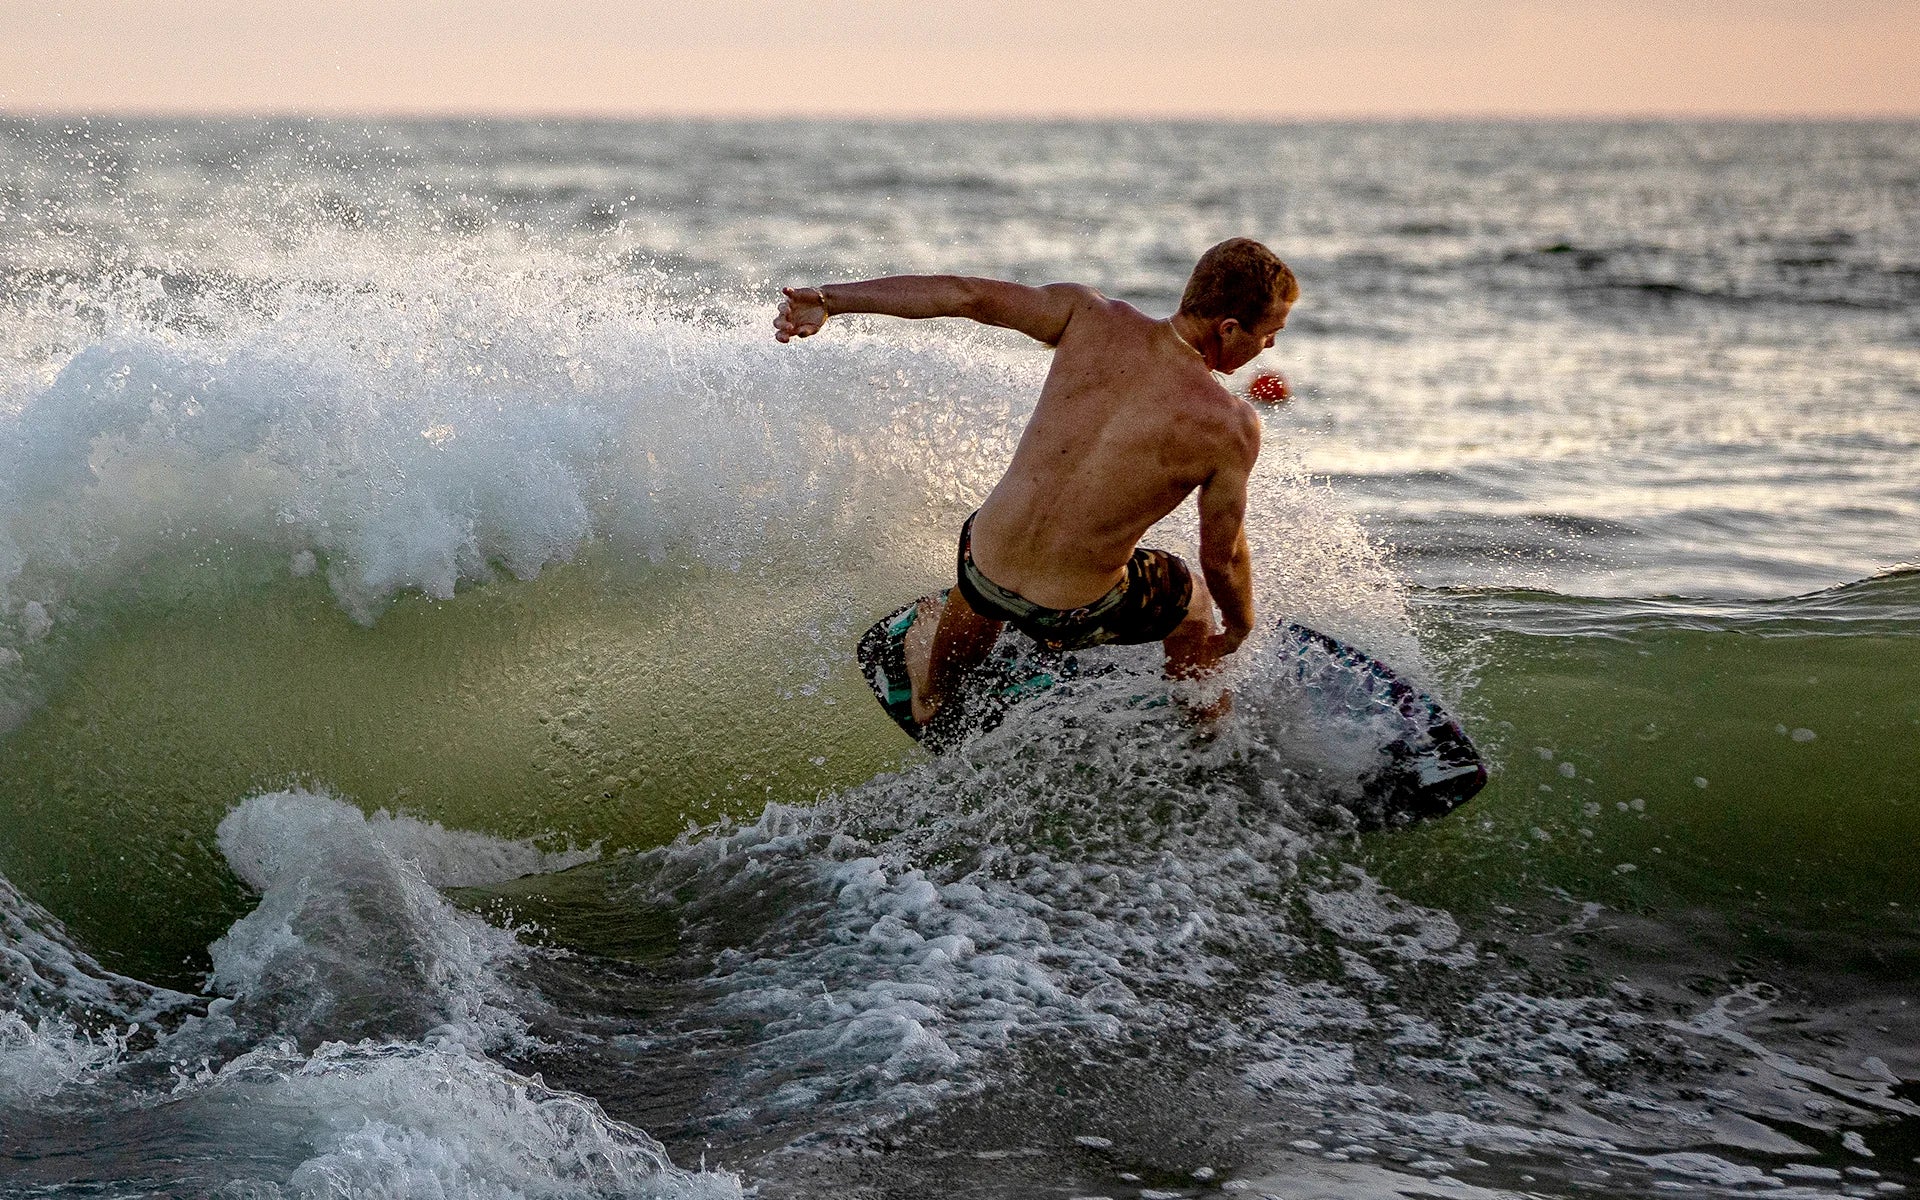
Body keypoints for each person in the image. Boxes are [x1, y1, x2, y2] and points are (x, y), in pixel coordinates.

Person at [775, 237, 1298, 728]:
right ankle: (1202, 731)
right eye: (1269, 331)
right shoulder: (1231, 425)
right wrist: (1241, 626)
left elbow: (966, 295)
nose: (1270, 344)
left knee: (992, 551)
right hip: (1075, 610)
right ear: (1228, 328)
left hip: (982, 566)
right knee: (1194, 602)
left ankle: (932, 692)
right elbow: (1222, 558)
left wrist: (828, 299)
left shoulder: (1087, 314)